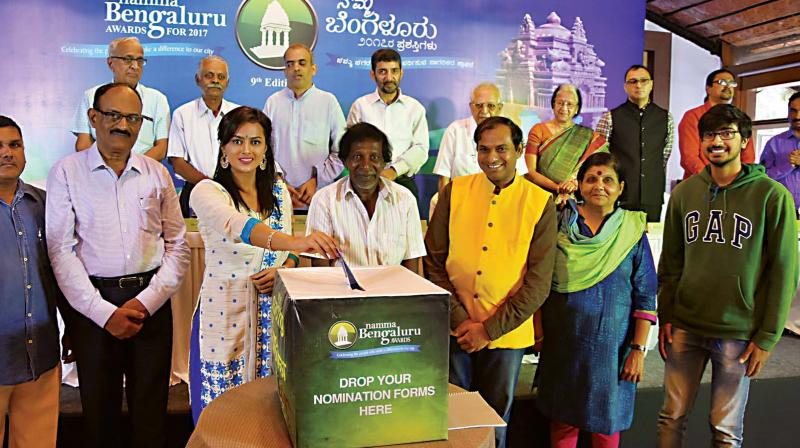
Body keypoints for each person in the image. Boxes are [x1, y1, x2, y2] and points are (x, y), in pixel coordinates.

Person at [47, 83, 190, 448]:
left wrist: (146, 302)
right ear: (93, 118)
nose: (122, 125)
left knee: (151, 415)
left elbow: (177, 243)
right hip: (94, 307)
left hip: (150, 304)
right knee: (99, 415)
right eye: (113, 115)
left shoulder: (157, 173)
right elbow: (60, 251)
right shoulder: (66, 172)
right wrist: (103, 313)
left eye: (132, 118)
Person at [657, 104, 798, 447]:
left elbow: (784, 271)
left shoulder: (771, 196)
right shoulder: (684, 194)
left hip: (738, 330)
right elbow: (671, 263)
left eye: (726, 134)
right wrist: (666, 315)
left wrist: (767, 336)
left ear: (745, 141)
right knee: (671, 418)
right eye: (709, 134)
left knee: (725, 430)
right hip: (687, 325)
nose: (716, 141)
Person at [188, 106, 338, 422]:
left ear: (266, 149)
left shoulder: (279, 192)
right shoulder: (206, 191)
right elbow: (237, 225)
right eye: (237, 141)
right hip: (223, 320)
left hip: (275, 318)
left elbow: (292, 255)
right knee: (221, 419)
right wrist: (297, 243)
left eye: (255, 142)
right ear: (224, 148)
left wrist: (288, 265)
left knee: (270, 415)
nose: (247, 150)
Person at [424, 116, 556, 448]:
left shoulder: (540, 202)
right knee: (452, 415)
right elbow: (434, 261)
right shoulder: (456, 190)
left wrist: (488, 329)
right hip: (456, 328)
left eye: (501, 149)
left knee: (494, 418)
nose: (491, 157)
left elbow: (538, 283)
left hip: (507, 334)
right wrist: (460, 319)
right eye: (483, 149)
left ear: (520, 150)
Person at [536, 152, 657, 448]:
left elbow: (646, 294)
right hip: (563, 343)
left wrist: (638, 350)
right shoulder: (560, 223)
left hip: (613, 350)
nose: (599, 185)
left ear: (620, 187)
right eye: (591, 179)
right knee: (563, 420)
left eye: (607, 180)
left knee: (607, 423)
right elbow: (539, 280)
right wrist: (539, 334)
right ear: (579, 185)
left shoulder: (631, 232)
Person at [0, 116, 62, 448]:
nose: (7, 153)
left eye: (14, 145)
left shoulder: (44, 204)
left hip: (40, 355)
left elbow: (61, 272)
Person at [305, 122, 425, 272]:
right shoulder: (324, 200)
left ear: (384, 163)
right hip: (341, 292)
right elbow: (320, 270)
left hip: (392, 293)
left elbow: (411, 270)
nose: (366, 166)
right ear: (345, 161)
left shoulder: (405, 199)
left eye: (374, 157)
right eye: (357, 156)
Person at [264, 44, 346, 210]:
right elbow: (263, 150)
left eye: (302, 63)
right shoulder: (273, 102)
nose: (296, 68)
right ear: (284, 71)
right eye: (290, 64)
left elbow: (343, 150)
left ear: (313, 69)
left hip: (318, 196)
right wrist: (278, 181)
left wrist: (317, 180)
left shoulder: (328, 101)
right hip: (278, 195)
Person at [347, 48, 429, 198]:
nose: (389, 77)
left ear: (401, 73)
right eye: (383, 71)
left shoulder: (415, 108)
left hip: (403, 181)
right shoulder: (360, 106)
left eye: (394, 71)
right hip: (365, 182)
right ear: (373, 75)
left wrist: (394, 170)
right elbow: (350, 147)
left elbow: (421, 149)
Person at [71, 37, 170, 160]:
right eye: (128, 59)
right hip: (99, 173)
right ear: (111, 63)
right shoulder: (90, 96)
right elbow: (83, 144)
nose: (135, 66)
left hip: (143, 173)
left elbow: (161, 148)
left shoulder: (157, 99)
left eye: (140, 60)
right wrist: (109, 168)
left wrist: (133, 169)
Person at [596, 65, 673, 222]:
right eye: (633, 81)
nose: (638, 85)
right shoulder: (610, 117)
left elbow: (664, 156)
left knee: (650, 244)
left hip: (652, 196)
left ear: (651, 84)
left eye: (643, 81)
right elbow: (600, 157)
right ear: (625, 86)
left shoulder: (666, 118)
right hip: (619, 195)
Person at [167, 55, 239, 217]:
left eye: (221, 77)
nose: (215, 80)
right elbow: (177, 162)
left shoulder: (239, 115)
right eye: (209, 75)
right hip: (195, 191)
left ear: (227, 82)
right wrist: (211, 187)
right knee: (196, 241)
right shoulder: (182, 114)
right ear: (198, 79)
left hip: (234, 192)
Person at [433, 82, 527, 194]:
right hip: (461, 200)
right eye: (479, 105)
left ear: (500, 107)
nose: (484, 111)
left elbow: (520, 175)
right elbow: (444, 177)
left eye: (491, 106)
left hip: (500, 202)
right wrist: (447, 208)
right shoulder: (455, 130)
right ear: (471, 107)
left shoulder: (510, 131)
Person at [525, 83, 608, 203]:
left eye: (569, 104)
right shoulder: (538, 130)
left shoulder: (588, 136)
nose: (564, 108)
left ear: (576, 109)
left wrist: (574, 183)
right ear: (553, 104)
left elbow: (599, 165)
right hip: (539, 195)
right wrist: (558, 188)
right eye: (560, 103)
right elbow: (531, 172)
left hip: (573, 197)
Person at [678, 69, 755, 179]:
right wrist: (713, 179)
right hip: (701, 183)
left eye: (731, 83)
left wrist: (738, 181)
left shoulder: (739, 118)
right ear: (708, 89)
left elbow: (748, 157)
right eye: (722, 82)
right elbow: (689, 158)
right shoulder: (693, 116)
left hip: (734, 185)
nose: (728, 86)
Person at [760, 91, 800, 216]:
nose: (797, 115)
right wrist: (789, 165)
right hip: (780, 210)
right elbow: (762, 178)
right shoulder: (774, 143)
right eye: (793, 110)